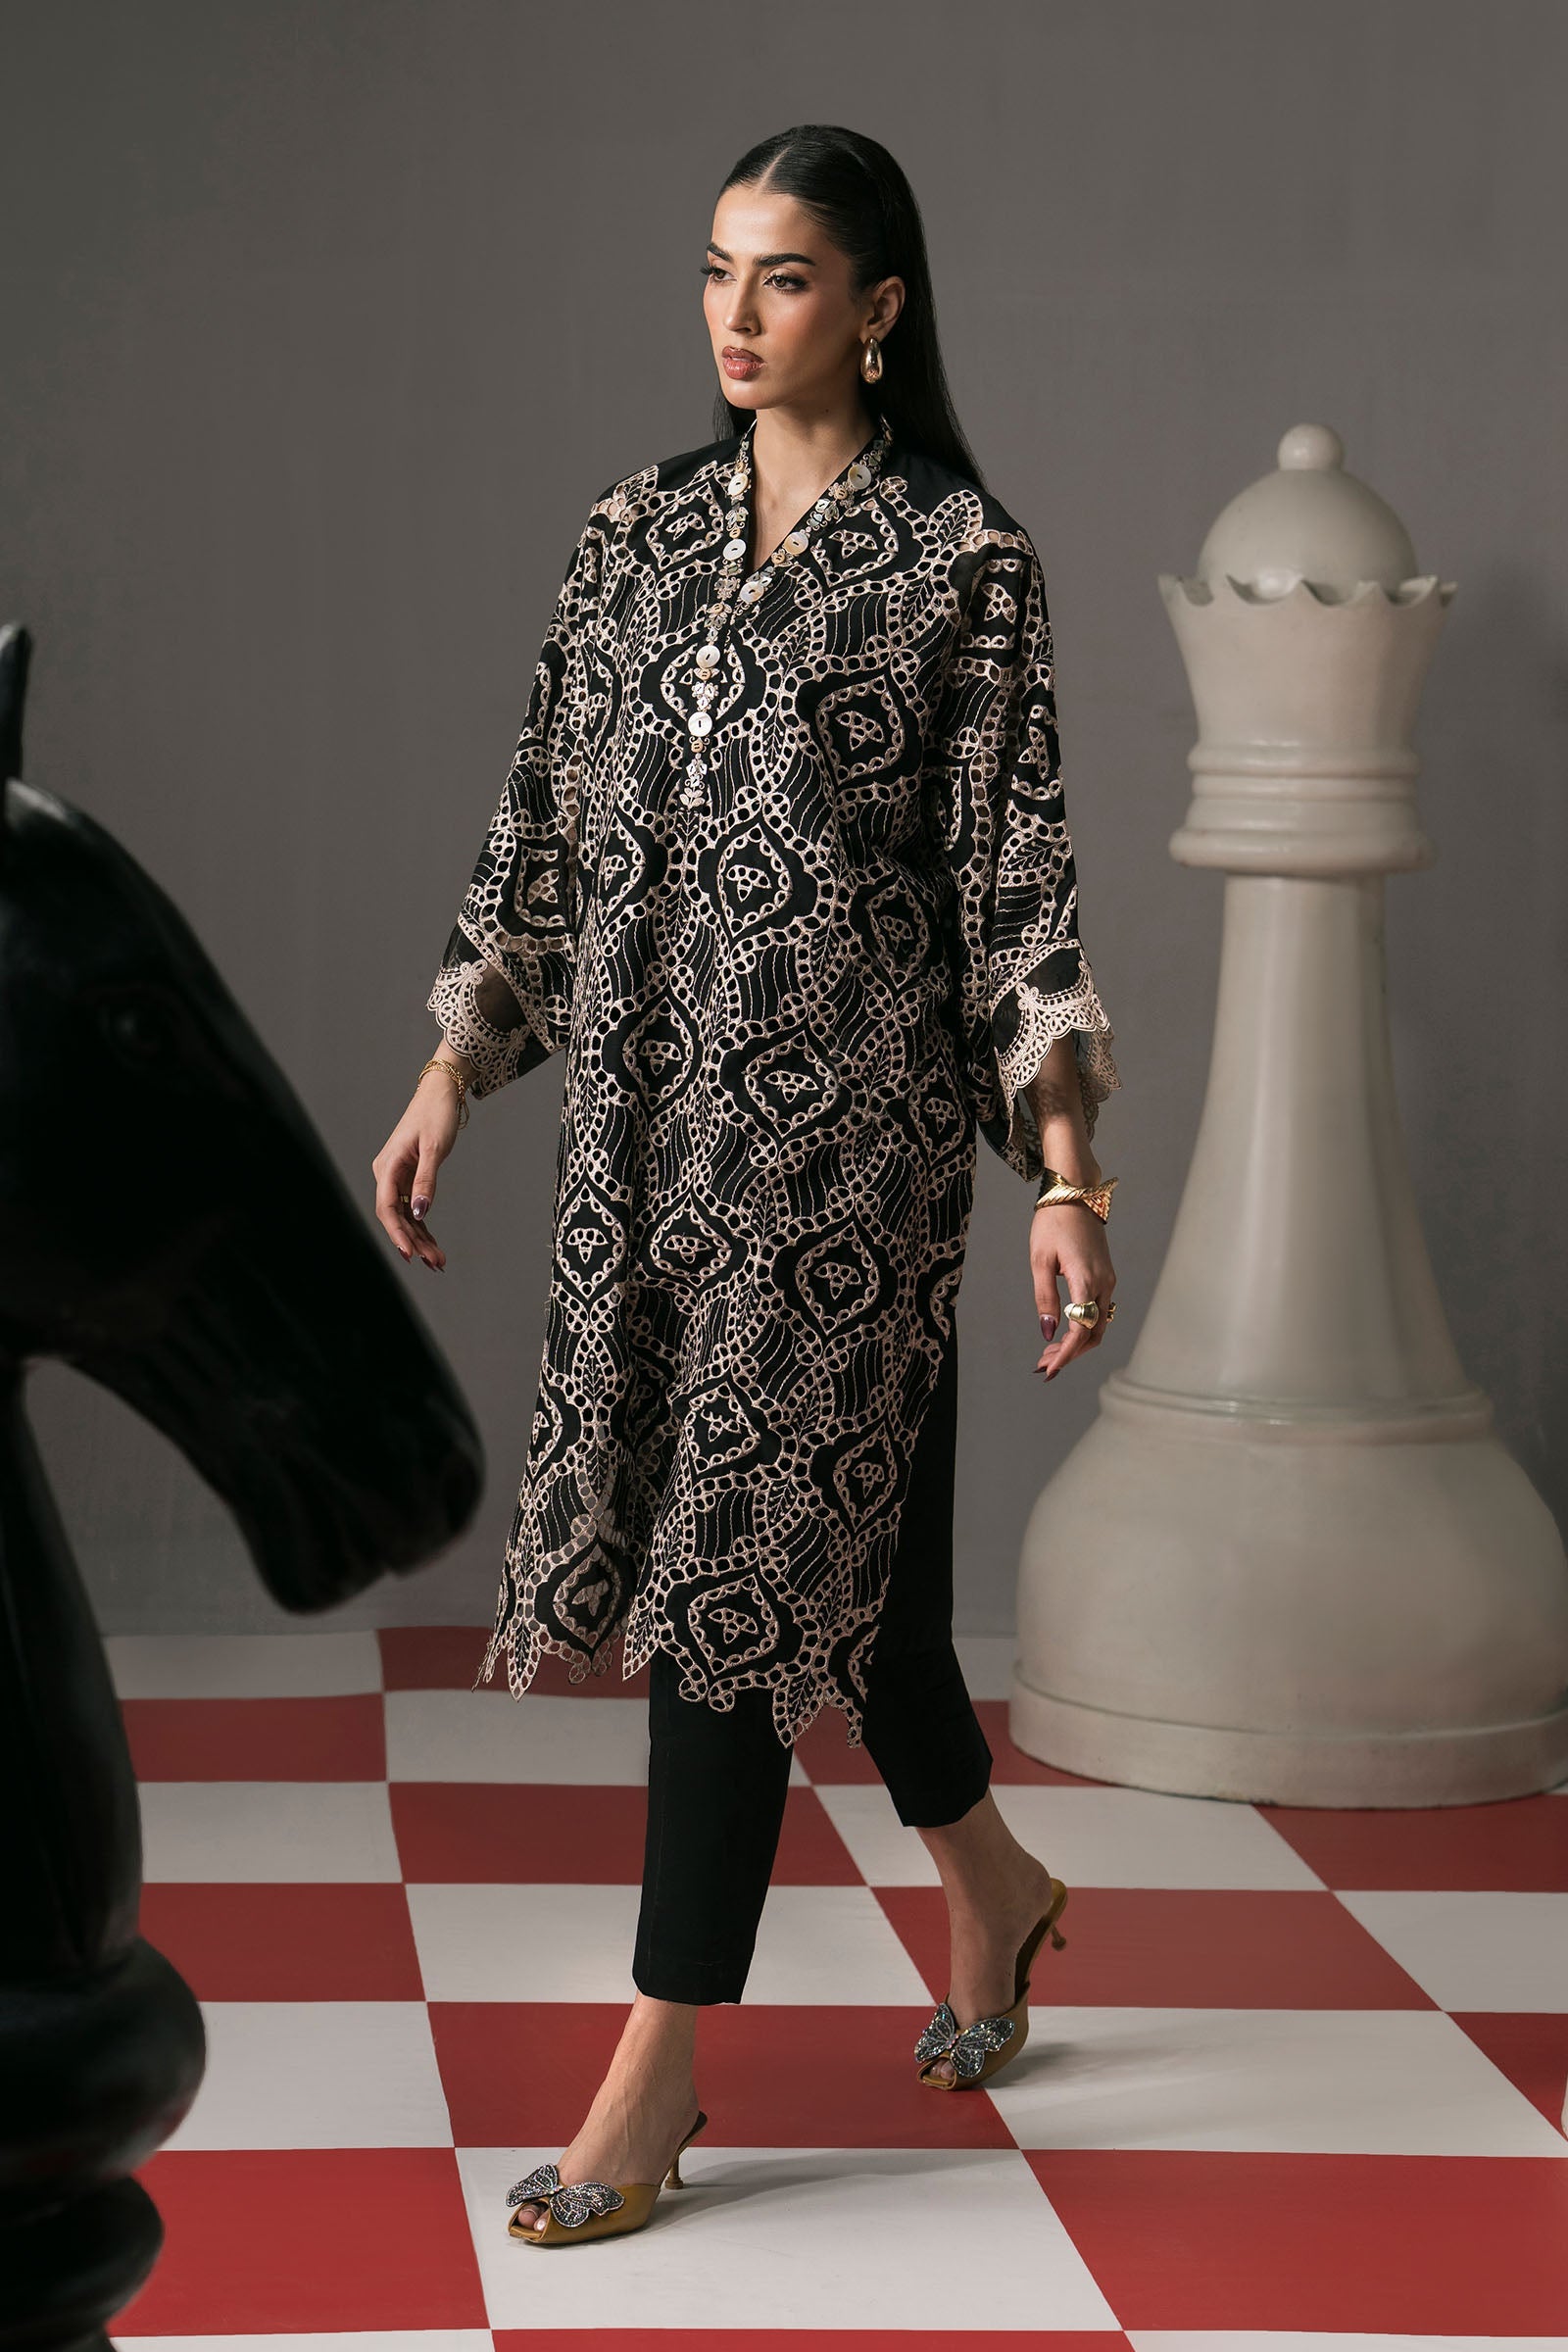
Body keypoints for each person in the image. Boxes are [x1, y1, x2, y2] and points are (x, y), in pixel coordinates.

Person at [372, 122, 1121, 2245]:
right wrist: (451, 1067)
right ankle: (996, 1884)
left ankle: (657, 2066)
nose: (733, 312)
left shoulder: (962, 563)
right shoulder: (634, 536)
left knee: (730, 1570)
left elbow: (1015, 882)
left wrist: (1068, 1176)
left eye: (781, 277)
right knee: (852, 1585)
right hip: (642, 1136)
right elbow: (541, 821)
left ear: (876, 310)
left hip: (845, 1161)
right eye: (715, 269)